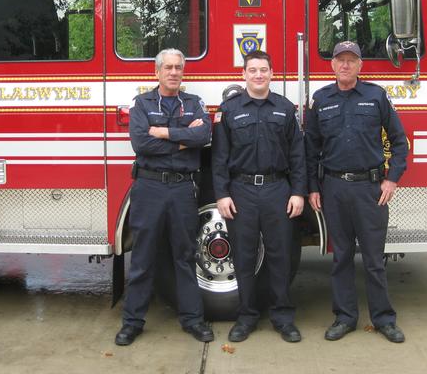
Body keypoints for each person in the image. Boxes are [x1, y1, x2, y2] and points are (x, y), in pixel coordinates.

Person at [305, 40, 408, 343]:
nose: (346, 65)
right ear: (332, 65)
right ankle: (345, 317)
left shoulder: (376, 96)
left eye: (352, 60)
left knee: (375, 260)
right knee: (341, 258)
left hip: (370, 190)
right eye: (341, 60)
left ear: (360, 65)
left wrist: (392, 180)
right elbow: (310, 148)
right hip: (334, 189)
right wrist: (312, 187)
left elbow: (399, 142)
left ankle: (384, 319)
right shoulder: (321, 99)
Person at [115, 48, 214, 346]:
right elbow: (141, 144)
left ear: (184, 72)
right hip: (149, 188)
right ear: (157, 72)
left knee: (184, 256)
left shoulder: (193, 103)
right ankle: (132, 323)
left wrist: (163, 133)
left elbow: (204, 137)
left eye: (178, 68)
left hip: (183, 189)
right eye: (168, 67)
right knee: (143, 258)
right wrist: (183, 139)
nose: (173, 72)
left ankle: (193, 320)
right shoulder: (142, 104)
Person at [212, 50, 306, 343]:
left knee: (281, 256)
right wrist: (222, 194)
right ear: (244, 75)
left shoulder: (285, 108)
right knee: (244, 256)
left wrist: (298, 192)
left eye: (263, 70)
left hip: (278, 189)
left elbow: (298, 155)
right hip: (241, 192)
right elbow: (219, 157)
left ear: (272, 73)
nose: (258, 75)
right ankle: (246, 317)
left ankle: (282, 317)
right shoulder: (229, 111)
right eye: (252, 70)